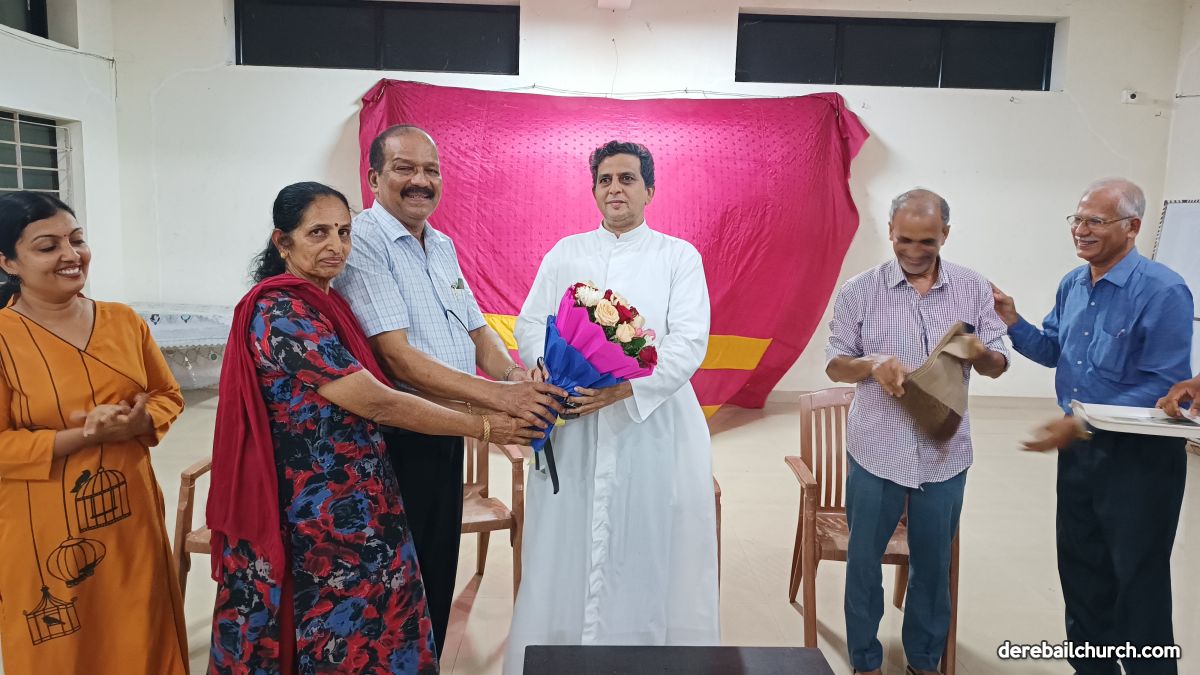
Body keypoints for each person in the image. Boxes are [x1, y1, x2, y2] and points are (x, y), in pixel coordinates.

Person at [207, 182, 540, 674]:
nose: (336, 245)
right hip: (315, 511)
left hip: (362, 496)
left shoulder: (329, 304)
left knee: (377, 626)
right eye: (318, 233)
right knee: (334, 631)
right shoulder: (281, 313)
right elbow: (377, 401)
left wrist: (502, 394)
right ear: (283, 242)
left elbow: (390, 388)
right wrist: (488, 426)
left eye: (343, 232)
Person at [334, 126, 566, 651]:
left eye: (431, 170)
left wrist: (514, 376)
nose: (421, 180)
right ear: (374, 178)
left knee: (436, 565)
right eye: (405, 168)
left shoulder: (441, 244)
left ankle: (428, 658)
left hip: (446, 430)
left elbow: (478, 331)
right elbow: (398, 358)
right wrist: (500, 399)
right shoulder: (363, 241)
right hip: (396, 436)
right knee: (397, 575)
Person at [502, 140, 719, 674]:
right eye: (605, 179)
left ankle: (648, 658)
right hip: (575, 419)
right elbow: (530, 323)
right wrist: (548, 367)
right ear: (594, 189)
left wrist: (623, 390)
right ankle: (563, 654)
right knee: (567, 539)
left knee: (648, 538)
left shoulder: (678, 257)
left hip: (654, 425)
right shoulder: (565, 253)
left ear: (650, 190)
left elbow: (689, 341)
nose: (614, 189)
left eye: (627, 179)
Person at [993, 178, 1192, 675]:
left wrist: (1082, 421)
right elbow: (1052, 350)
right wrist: (1013, 321)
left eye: (1095, 221)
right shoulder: (1073, 284)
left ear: (1132, 227)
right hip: (1080, 453)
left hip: (1140, 460)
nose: (1081, 230)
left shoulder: (1164, 290)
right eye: (1077, 219)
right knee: (1081, 575)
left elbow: (1162, 383)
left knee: (1137, 584)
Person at [0, 191, 188, 674]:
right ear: (8, 262)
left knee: (143, 635)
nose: (70, 255)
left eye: (77, 240)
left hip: (132, 521)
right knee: (62, 651)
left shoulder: (123, 321)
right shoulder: (3, 338)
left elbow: (167, 394)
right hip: (43, 529)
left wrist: (139, 421)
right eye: (48, 246)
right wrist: (87, 435)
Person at [824, 189, 1008, 675]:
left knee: (933, 565)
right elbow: (835, 363)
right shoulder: (860, 290)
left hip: (944, 453)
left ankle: (924, 662)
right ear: (890, 231)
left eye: (927, 241)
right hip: (876, 449)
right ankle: (865, 661)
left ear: (945, 234)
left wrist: (981, 353)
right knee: (864, 562)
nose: (913, 251)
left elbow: (998, 363)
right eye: (904, 239)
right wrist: (871, 364)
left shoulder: (972, 288)